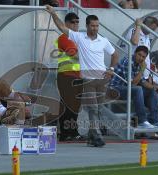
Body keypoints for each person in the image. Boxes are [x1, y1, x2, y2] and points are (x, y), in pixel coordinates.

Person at [46, 5, 119, 147]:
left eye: (97, 25)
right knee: (79, 106)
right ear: (88, 26)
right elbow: (63, 31)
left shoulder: (102, 40)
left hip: (97, 79)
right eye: (93, 25)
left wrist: (110, 69)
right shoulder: (75, 37)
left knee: (92, 107)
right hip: (72, 77)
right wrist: (54, 13)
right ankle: (78, 134)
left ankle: (87, 135)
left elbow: (115, 54)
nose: (95, 28)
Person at [110, 46, 158, 128]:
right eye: (139, 55)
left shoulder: (138, 64)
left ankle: (154, 119)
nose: (141, 58)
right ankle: (142, 120)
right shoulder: (128, 61)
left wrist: (156, 87)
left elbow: (142, 82)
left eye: (143, 57)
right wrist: (142, 69)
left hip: (127, 89)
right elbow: (133, 83)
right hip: (115, 89)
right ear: (135, 53)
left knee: (151, 91)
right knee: (138, 89)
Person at [55, 12, 83, 141]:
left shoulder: (79, 37)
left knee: (74, 106)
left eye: (77, 22)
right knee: (69, 105)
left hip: (77, 75)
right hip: (66, 75)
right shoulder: (64, 37)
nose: (76, 24)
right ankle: (67, 133)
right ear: (66, 24)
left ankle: (72, 131)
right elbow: (74, 54)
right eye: (73, 22)